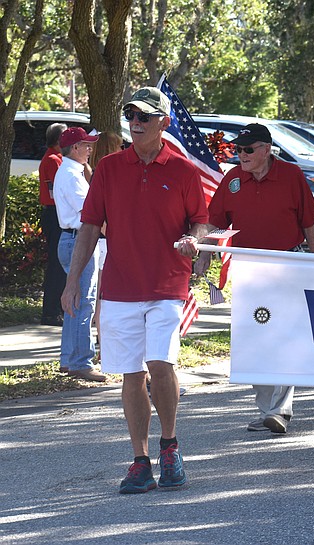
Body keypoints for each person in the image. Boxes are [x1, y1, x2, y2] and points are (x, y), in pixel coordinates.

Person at [61, 87, 208, 494]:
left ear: (163, 121)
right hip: (120, 287)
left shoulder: (182, 170)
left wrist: (194, 240)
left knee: (161, 364)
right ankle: (140, 460)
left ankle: (170, 447)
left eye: (145, 115)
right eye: (131, 115)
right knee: (131, 375)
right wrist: (73, 281)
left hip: (167, 284)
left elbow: (200, 220)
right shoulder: (109, 168)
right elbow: (90, 225)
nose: (136, 122)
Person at [195, 123, 314, 435]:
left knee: (281, 335)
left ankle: (279, 409)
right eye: (239, 150)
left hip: (286, 264)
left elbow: (309, 224)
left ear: (266, 149)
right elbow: (216, 222)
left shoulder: (291, 175)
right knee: (255, 336)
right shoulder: (233, 179)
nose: (242, 155)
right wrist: (205, 254)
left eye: (248, 149)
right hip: (248, 268)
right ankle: (266, 408)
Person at [54, 127, 105, 382]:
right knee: (82, 301)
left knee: (75, 302)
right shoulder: (72, 175)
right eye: (86, 145)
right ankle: (80, 362)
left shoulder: (71, 171)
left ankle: (70, 359)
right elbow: (90, 213)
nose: (90, 149)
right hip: (78, 241)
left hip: (73, 240)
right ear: (74, 148)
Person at [89, 131, 124, 337]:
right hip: (106, 241)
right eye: (119, 146)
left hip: (109, 240)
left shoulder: (100, 172)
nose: (122, 150)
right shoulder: (103, 173)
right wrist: (115, 236)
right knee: (103, 294)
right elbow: (97, 215)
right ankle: (103, 341)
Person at [38, 122, 68, 327]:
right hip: (54, 215)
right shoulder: (52, 160)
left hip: (57, 215)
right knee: (57, 266)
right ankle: (50, 312)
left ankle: (57, 309)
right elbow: (59, 189)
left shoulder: (58, 158)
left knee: (61, 266)